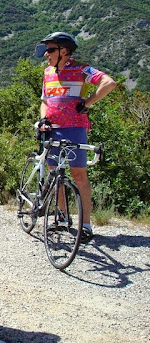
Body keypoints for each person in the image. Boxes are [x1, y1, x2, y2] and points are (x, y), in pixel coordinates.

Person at [34, 31, 116, 242]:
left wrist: (87, 103)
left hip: (74, 129)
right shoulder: (48, 73)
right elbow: (44, 101)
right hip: (52, 129)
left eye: (51, 50)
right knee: (55, 176)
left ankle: (86, 225)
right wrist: (43, 119)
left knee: (79, 176)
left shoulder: (80, 69)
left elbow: (109, 83)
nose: (46, 54)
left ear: (64, 51)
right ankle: (62, 219)